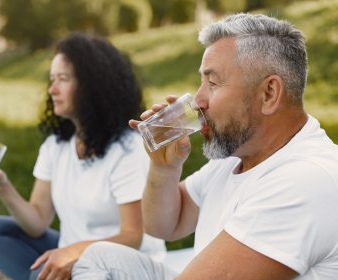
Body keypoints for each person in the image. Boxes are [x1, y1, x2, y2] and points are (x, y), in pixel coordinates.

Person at [71, 13, 338, 280]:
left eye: (212, 83)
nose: (197, 100)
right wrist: (164, 168)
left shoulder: (304, 181)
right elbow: (163, 225)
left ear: (268, 93)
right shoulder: (239, 156)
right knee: (100, 258)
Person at [0, 33, 166, 280]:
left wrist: (72, 253)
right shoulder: (56, 146)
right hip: (72, 254)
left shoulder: (128, 149)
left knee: (44, 273)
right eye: (52, 79)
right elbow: (37, 221)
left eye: (63, 79)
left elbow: (132, 236)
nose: (52, 89)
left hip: (124, 264)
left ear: (91, 86)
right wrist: (3, 188)